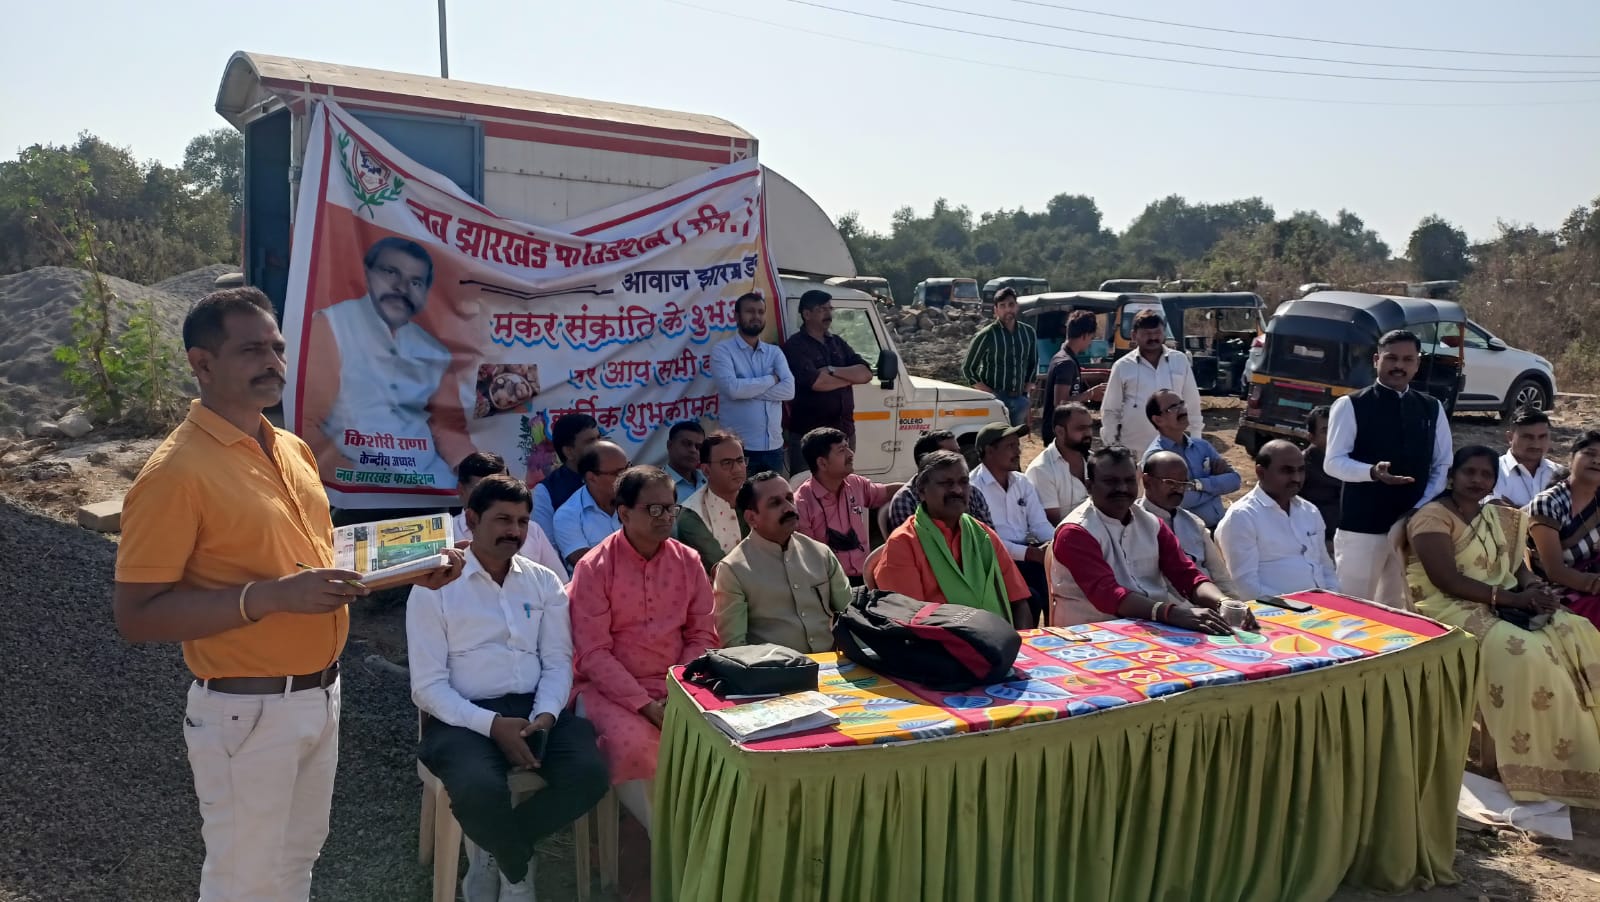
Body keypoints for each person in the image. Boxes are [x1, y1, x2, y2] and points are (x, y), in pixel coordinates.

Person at [113, 287, 463, 901]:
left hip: (319, 696)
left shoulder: (291, 448)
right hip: (245, 713)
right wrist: (271, 598)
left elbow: (319, 560)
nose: (273, 363)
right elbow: (136, 616)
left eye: (276, 348)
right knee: (243, 882)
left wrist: (406, 567)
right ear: (202, 363)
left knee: (296, 865)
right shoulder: (175, 473)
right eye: (251, 350)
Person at [407, 475, 609, 901]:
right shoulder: (433, 586)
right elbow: (427, 687)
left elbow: (557, 660)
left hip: (535, 709)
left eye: (522, 521)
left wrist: (546, 715)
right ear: (471, 519)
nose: (514, 531)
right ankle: (517, 872)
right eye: (502, 519)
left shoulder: (543, 581)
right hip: (462, 716)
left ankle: (502, 848)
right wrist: (492, 724)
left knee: (590, 775)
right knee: (478, 789)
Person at [1406, 445, 1600, 810]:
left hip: (1505, 599)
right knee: (1530, 657)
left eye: (1486, 475)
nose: (1477, 480)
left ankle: (1581, 750)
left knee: (1579, 632)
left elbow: (1517, 567)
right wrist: (1513, 600)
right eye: (1469, 472)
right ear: (1452, 476)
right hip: (1450, 607)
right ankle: (1529, 766)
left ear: (1495, 481)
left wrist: (1534, 589)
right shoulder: (1432, 517)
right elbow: (1446, 580)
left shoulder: (1496, 516)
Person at [569, 467, 717, 833]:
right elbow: (593, 653)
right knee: (636, 745)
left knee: (720, 741)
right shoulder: (594, 567)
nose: (665, 517)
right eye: (654, 509)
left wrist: (677, 689)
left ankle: (710, 841)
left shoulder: (688, 561)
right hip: (609, 690)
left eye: (670, 508)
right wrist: (645, 705)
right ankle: (666, 846)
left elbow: (703, 635)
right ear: (624, 512)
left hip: (680, 685)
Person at [303, 236, 456, 485]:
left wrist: (469, 471)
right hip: (354, 480)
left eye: (415, 282)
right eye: (390, 272)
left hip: (428, 481)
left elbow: (448, 428)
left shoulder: (435, 351)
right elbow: (306, 423)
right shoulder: (333, 325)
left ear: (425, 293)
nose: (401, 288)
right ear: (367, 274)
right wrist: (351, 481)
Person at [1050, 445, 1247, 632]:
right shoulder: (1075, 532)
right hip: (1091, 633)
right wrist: (1172, 614)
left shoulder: (1151, 523)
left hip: (1153, 627)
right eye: (1111, 482)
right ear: (1089, 486)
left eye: (1129, 481)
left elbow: (1186, 575)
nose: (1122, 488)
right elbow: (1108, 595)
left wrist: (1223, 603)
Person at [1322, 329, 1452, 608]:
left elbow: (1442, 464)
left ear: (1417, 364)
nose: (1399, 366)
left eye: (1407, 359)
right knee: (1353, 608)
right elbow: (1333, 462)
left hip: (1410, 527)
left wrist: (1419, 507)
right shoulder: (1351, 405)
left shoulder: (1431, 408)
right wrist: (1371, 472)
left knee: (1396, 608)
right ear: (1376, 360)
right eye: (1392, 358)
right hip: (1362, 526)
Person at [870, 451, 1034, 626]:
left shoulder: (983, 534)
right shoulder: (902, 545)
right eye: (946, 483)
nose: (957, 490)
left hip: (999, 639)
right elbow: (908, 624)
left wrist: (1020, 640)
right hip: (936, 642)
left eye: (963, 482)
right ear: (922, 491)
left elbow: (1019, 602)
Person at [713, 472, 851, 651]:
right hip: (773, 667)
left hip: (831, 663)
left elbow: (851, 614)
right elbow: (734, 647)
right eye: (775, 503)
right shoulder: (733, 570)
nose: (788, 508)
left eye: (789, 499)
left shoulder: (820, 554)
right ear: (752, 518)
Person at [1216, 441, 1341, 599]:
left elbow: (1326, 567)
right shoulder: (1242, 517)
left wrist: (1332, 598)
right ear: (1261, 472)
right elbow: (1244, 586)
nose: (1296, 478)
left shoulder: (1309, 511)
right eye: (1287, 471)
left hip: (1323, 606)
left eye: (1301, 470)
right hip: (1274, 610)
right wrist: (1299, 607)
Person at [970, 422, 1056, 626]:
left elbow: (1039, 524)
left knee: (1057, 584)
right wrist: (1030, 554)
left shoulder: (1021, 482)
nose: (1018, 451)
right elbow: (985, 541)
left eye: (1018, 445)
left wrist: (1056, 544)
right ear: (989, 451)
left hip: (1027, 556)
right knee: (1032, 597)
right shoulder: (973, 487)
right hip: (994, 563)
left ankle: (1055, 634)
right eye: (1010, 446)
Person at [794, 428, 901, 586]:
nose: (851, 454)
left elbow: (885, 492)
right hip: (830, 583)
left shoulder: (855, 484)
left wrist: (918, 485)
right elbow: (808, 557)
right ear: (822, 463)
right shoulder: (802, 503)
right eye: (841, 450)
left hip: (865, 578)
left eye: (848, 447)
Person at [781, 290, 873, 469]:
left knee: (843, 482)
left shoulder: (837, 343)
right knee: (806, 483)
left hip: (844, 433)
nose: (828, 314)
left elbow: (866, 374)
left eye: (830, 309)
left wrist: (832, 370)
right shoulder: (795, 345)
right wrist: (850, 378)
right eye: (822, 309)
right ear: (806, 314)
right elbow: (817, 383)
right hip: (810, 437)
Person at [711, 291, 794, 475]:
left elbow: (789, 391)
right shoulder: (722, 351)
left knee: (773, 493)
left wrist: (745, 389)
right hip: (739, 450)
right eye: (750, 311)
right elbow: (733, 390)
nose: (756, 316)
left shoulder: (774, 352)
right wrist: (772, 379)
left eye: (760, 312)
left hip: (774, 448)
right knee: (738, 495)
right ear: (737, 316)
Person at [1100, 309, 1202, 457]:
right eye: (1147, 334)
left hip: (1174, 448)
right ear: (1134, 335)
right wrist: (1112, 445)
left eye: (1157, 333)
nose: (1153, 338)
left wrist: (1196, 440)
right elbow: (1110, 409)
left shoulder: (1179, 361)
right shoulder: (1123, 366)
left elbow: (1192, 403)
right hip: (1135, 448)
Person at [452, 452, 567, 582]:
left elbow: (561, 583)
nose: (496, 498)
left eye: (503, 489)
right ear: (461, 490)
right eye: (483, 490)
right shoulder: (445, 536)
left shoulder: (533, 531)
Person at [1139, 451, 1240, 597]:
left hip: (1211, 602)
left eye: (1184, 484)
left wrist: (1230, 603)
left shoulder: (1193, 522)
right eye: (1170, 483)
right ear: (1147, 481)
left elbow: (1220, 575)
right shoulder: (1135, 524)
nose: (1179, 489)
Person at [1528, 431, 1600, 629]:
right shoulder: (1547, 503)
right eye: (1589, 453)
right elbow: (1555, 571)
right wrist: (1595, 584)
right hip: (1558, 591)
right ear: (1571, 459)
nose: (1597, 461)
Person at [1142, 389, 1240, 529]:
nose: (1182, 410)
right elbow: (1182, 500)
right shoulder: (1157, 457)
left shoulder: (1202, 446)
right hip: (1188, 535)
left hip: (1220, 528)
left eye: (1181, 404)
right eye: (1173, 408)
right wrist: (1217, 487)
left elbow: (1235, 480)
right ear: (1158, 420)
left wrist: (1198, 485)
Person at [962, 287, 1039, 428]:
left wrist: (1026, 390)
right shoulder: (986, 335)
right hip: (995, 399)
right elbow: (968, 368)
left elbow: (1033, 363)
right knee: (994, 438)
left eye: (1011, 304)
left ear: (1017, 307)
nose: (1007, 309)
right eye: (1002, 306)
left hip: (1019, 399)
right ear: (996, 310)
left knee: (1014, 438)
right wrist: (991, 394)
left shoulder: (1028, 333)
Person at [886, 430, 994, 530]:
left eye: (959, 452)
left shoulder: (972, 492)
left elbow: (988, 538)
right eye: (951, 454)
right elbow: (914, 541)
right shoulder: (906, 500)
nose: (960, 458)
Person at [677, 432, 750, 575]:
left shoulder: (756, 496)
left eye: (740, 460)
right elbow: (721, 569)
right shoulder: (692, 515)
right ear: (706, 470)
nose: (737, 469)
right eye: (727, 463)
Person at [552, 441, 629, 569]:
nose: (627, 477)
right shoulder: (567, 516)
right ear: (592, 477)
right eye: (618, 473)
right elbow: (588, 564)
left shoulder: (639, 500)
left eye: (628, 468)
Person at [1038, 310, 1106, 442]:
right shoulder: (1066, 363)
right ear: (1085, 335)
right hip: (1059, 435)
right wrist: (1091, 394)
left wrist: (1096, 375)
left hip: (1059, 432)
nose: (1090, 343)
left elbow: (1069, 379)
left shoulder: (1062, 357)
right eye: (1091, 338)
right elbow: (1061, 403)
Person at [532, 413, 601, 543]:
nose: (600, 446)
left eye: (599, 438)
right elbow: (547, 545)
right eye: (591, 442)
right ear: (569, 452)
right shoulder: (545, 491)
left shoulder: (613, 478)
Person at [1026, 403, 1093, 524]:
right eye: (1081, 428)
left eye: (1089, 427)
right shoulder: (1042, 470)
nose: (1088, 433)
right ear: (1060, 431)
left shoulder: (1095, 461)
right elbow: (1053, 524)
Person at [1494, 407, 1565, 508]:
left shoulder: (1560, 474)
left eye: (1542, 437)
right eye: (1528, 437)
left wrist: (1515, 511)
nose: (1536, 444)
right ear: (1510, 438)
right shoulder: (1493, 471)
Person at [1299, 406, 1341, 545]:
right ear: (1311, 437)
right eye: (1326, 431)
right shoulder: (1300, 467)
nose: (1334, 434)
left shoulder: (1350, 463)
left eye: (1337, 428)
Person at [664, 420, 707, 503]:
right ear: (669, 446)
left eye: (698, 446)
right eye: (687, 444)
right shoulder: (656, 486)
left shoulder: (709, 480)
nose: (693, 450)